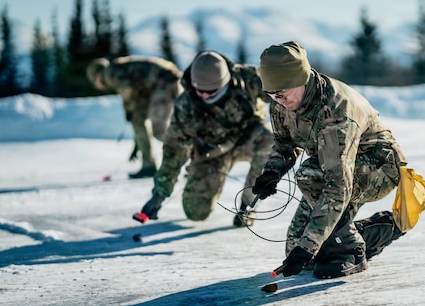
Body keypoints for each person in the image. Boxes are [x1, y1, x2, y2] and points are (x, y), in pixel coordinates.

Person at [252, 41, 408, 279]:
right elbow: (284, 144)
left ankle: (350, 251)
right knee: (299, 249)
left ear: (301, 79)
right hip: (330, 169)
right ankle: (376, 232)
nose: (278, 100)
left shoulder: (336, 111)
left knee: (308, 180)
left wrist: (308, 247)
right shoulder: (282, 102)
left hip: (378, 168)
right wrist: (272, 173)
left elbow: (338, 187)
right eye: (271, 95)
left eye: (281, 94)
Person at [134, 51, 274, 227]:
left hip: (248, 139)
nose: (205, 96)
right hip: (211, 153)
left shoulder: (248, 80)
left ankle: (249, 204)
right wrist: (159, 195)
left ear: (225, 82)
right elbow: (173, 151)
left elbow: (283, 94)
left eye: (211, 91)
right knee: (195, 211)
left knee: (270, 140)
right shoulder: (185, 106)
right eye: (200, 90)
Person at [86, 56, 183, 178]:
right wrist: (137, 143)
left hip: (164, 84)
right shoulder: (120, 69)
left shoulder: (109, 73)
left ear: (97, 76)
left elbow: (127, 89)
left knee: (159, 131)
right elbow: (139, 101)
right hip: (166, 82)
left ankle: (194, 150)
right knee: (138, 121)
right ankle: (149, 164)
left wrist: (128, 108)